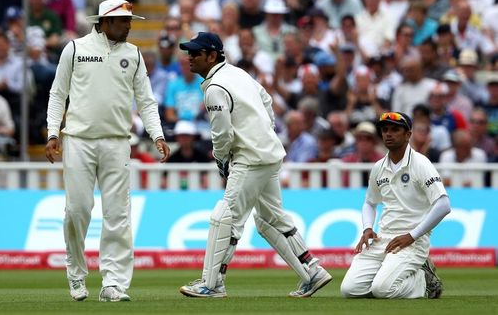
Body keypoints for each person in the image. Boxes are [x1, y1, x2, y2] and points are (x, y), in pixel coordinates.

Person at [178, 32, 332, 298]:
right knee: (270, 220)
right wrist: (263, 133)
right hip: (268, 154)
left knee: (225, 218)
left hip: (249, 158)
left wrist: (221, 160)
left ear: (212, 56)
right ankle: (312, 271)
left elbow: (222, 134)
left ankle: (211, 284)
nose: (189, 58)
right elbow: (267, 102)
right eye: (189, 52)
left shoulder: (216, 88)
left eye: (195, 53)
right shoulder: (238, 73)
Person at [45, 0, 171, 302]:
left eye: (130, 21)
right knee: (77, 210)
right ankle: (76, 274)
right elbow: (58, 93)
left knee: (118, 215)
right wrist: (52, 133)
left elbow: (146, 101)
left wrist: (157, 134)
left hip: (117, 142)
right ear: (104, 22)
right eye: (123, 21)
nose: (129, 26)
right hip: (78, 140)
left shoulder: (134, 54)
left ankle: (113, 283)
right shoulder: (75, 49)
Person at [341, 111, 451, 299]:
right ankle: (392, 276)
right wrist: (368, 228)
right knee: (350, 290)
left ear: (408, 135)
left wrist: (412, 235)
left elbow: (443, 204)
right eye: (385, 130)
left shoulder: (420, 164)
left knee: (382, 290)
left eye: (395, 130)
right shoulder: (379, 167)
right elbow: (369, 203)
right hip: (383, 238)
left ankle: (423, 280)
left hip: (412, 242)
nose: (388, 134)